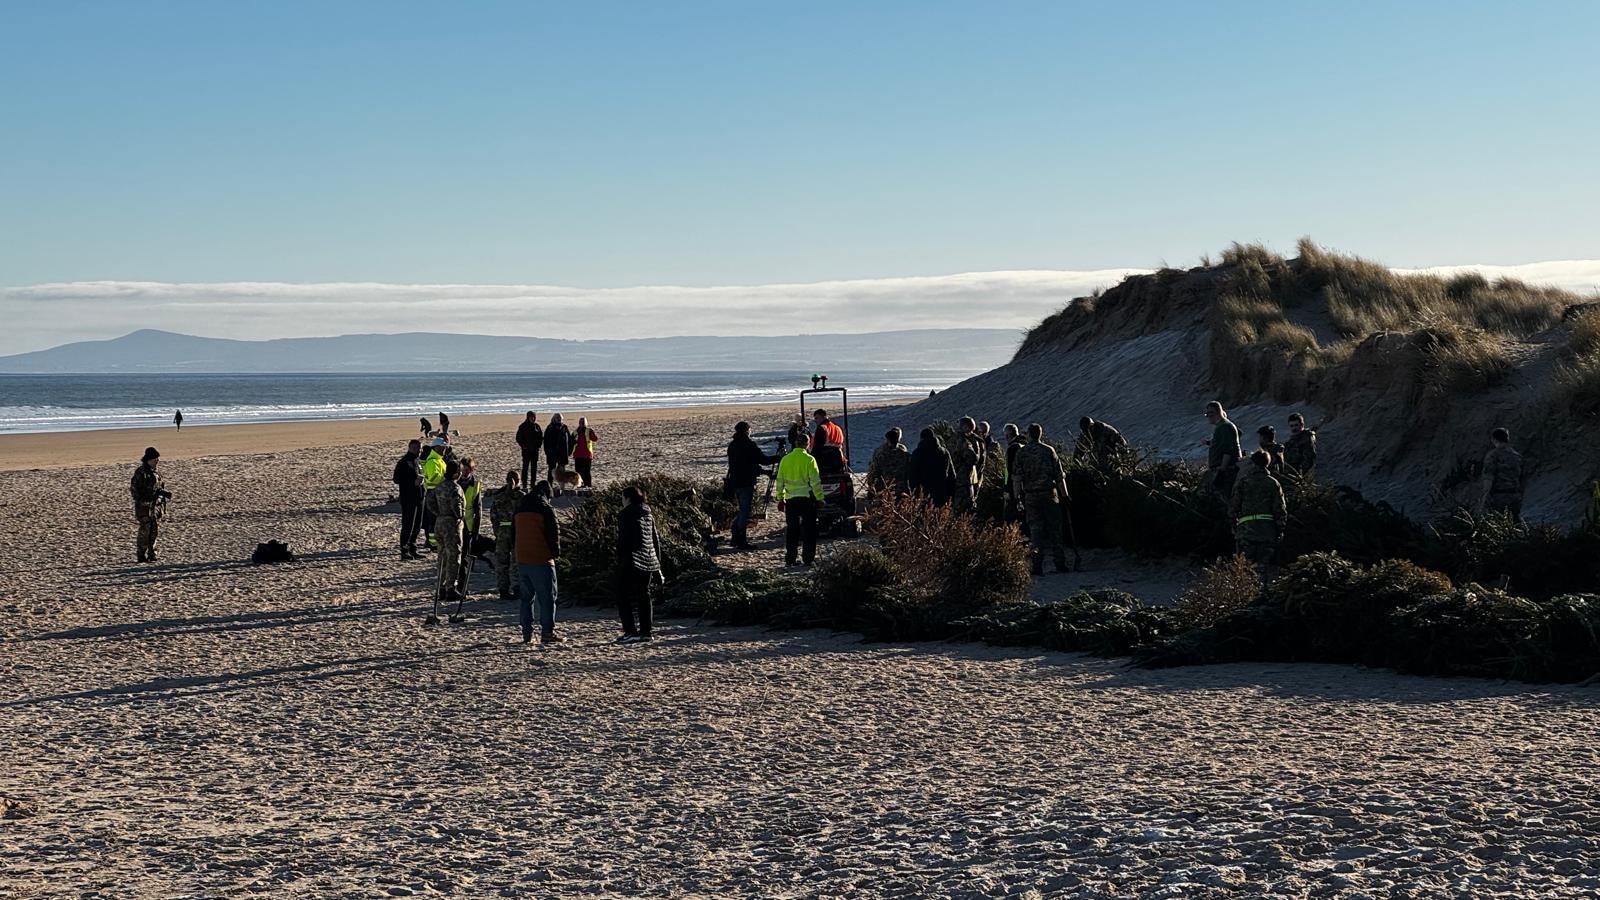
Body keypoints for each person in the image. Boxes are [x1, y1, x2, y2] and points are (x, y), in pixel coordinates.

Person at [1013, 424, 1070, 575]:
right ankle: (1060, 563)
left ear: (1029, 435)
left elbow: (1017, 478)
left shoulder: (1022, 452)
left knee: (1036, 531)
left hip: (1031, 496)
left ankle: (1037, 565)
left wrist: (1016, 497)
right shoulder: (1048, 450)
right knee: (1055, 529)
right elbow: (1059, 476)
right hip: (1049, 494)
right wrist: (1065, 495)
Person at [514, 480, 562, 644]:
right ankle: (547, 632)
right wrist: (556, 554)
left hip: (522, 558)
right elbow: (553, 533)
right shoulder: (546, 508)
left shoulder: (520, 507)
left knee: (526, 599)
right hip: (541, 558)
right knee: (548, 598)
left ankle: (527, 634)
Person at [615, 485, 664, 642]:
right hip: (649, 559)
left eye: (623, 498)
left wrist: (619, 556)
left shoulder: (626, 514)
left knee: (622, 594)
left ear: (627, 498)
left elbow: (624, 540)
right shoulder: (647, 512)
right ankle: (646, 632)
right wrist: (658, 564)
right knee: (644, 594)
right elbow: (655, 540)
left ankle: (630, 631)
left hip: (632, 559)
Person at [775, 426, 824, 567]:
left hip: (791, 500)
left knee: (792, 531)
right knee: (809, 530)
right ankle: (808, 558)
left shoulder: (785, 459)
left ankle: (790, 558)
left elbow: (780, 481)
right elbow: (815, 481)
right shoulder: (809, 460)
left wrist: (780, 498)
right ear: (807, 444)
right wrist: (820, 498)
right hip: (807, 499)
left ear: (796, 443)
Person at [1230, 449, 1287, 568]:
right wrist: (1280, 530)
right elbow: (1280, 509)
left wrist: (1234, 527)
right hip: (1267, 531)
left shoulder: (1244, 482)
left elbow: (1233, 507)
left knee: (1245, 569)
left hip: (1246, 531)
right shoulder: (1273, 483)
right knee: (1263, 568)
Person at [726, 421, 776, 549]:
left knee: (742, 510)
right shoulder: (749, 444)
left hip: (735, 482)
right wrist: (778, 457)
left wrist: (763, 471)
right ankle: (740, 540)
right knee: (745, 511)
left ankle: (735, 537)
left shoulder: (732, 445)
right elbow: (763, 460)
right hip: (745, 482)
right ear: (747, 431)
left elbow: (744, 463)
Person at [432, 458, 466, 604]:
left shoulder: (439, 486)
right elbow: (457, 509)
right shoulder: (455, 488)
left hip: (439, 522)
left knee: (442, 556)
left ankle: (440, 587)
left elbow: (430, 502)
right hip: (451, 524)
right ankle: (450, 588)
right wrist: (460, 516)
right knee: (453, 557)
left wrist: (439, 513)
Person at [489, 469, 525, 601]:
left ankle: (503, 589)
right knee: (516, 561)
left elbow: (493, 517)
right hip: (517, 530)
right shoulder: (521, 497)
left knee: (502, 562)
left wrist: (497, 531)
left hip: (503, 530)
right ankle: (517, 587)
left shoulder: (498, 498)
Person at [130, 447, 171, 562]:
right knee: (145, 531)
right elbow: (134, 490)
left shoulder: (156, 473)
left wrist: (162, 496)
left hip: (156, 507)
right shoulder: (141, 473)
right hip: (144, 508)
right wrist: (144, 501)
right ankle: (141, 555)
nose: (157, 461)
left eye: (157, 459)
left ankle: (152, 554)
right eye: (155, 459)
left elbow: (158, 487)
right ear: (148, 460)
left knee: (154, 531)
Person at [1480, 428, 1525, 520]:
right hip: (1515, 496)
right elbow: (1523, 478)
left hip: (1499, 497)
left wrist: (1484, 498)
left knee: (1498, 523)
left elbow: (1489, 477)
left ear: (1493, 439)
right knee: (1515, 523)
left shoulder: (1493, 455)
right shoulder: (1517, 456)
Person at [392, 439, 425, 559]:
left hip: (419, 497)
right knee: (408, 525)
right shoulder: (404, 462)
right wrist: (412, 482)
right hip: (408, 498)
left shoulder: (418, 461)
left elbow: (422, 475)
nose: (419, 451)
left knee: (417, 525)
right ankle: (404, 550)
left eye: (420, 448)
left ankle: (413, 548)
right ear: (410, 448)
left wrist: (421, 482)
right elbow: (396, 479)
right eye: (417, 448)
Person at [908, 427, 956, 507]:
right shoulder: (943, 452)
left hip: (923, 492)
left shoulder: (917, 453)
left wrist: (914, 492)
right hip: (941, 490)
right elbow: (951, 474)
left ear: (921, 438)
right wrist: (951, 492)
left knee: (926, 515)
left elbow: (913, 475)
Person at [455, 457, 483, 595]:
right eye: (463, 469)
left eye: (467, 470)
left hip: (468, 526)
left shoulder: (475, 484)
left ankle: (462, 587)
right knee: (455, 557)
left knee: (465, 557)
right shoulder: (455, 482)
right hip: (455, 525)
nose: (464, 473)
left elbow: (478, 510)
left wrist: (476, 530)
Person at [1203, 401, 1242, 498]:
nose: (1208, 416)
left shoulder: (1224, 426)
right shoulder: (1221, 426)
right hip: (1224, 468)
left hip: (1227, 470)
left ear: (1215, 413)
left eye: (1209, 413)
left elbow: (1228, 450)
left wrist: (1222, 471)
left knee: (1225, 498)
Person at [950, 417, 984, 513]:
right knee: (967, 508)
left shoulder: (952, 439)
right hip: (964, 479)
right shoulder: (964, 441)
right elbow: (974, 459)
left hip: (955, 478)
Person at [420, 437, 449, 551]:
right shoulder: (432, 461)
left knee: (437, 518)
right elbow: (433, 478)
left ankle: (434, 541)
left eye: (445, 448)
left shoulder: (439, 460)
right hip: (433, 493)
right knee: (433, 519)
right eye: (442, 448)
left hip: (439, 492)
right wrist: (446, 478)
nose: (444, 450)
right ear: (436, 448)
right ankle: (432, 543)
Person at [866, 427, 911, 495]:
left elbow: (873, 471)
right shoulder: (904, 453)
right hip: (900, 488)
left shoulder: (880, 452)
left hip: (885, 487)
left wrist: (871, 486)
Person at [543, 413, 573, 494]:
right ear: (554, 418)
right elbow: (545, 441)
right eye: (557, 418)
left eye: (560, 418)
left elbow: (569, 440)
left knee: (562, 471)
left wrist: (569, 451)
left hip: (563, 452)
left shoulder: (564, 427)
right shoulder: (550, 427)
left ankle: (562, 487)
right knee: (551, 470)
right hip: (552, 453)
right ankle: (549, 486)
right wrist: (546, 451)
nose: (559, 419)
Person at [1003, 424, 1026, 520]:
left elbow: (1011, 470)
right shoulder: (1024, 445)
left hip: (1014, 488)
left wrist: (1007, 490)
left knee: (1011, 516)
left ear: (1007, 435)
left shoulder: (1012, 449)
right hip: (1026, 486)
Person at [1284, 413, 1318, 478]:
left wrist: (1300, 475)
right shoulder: (1294, 439)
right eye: (1291, 426)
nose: (1294, 428)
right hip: (1292, 473)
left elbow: (1309, 459)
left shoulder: (1307, 438)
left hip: (1300, 475)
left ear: (1302, 425)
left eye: (1296, 425)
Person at [515, 411, 543, 488]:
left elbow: (541, 437)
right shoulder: (523, 426)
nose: (533, 418)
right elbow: (518, 438)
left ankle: (533, 484)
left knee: (534, 468)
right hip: (526, 451)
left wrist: (538, 445)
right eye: (531, 417)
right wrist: (523, 446)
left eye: (534, 417)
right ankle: (524, 485)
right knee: (525, 468)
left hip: (535, 451)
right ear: (528, 417)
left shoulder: (537, 426)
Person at [572, 417, 598, 489]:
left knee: (587, 472)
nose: (581, 423)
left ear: (585, 423)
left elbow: (595, 439)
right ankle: (580, 485)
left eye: (583, 422)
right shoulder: (575, 432)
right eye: (580, 422)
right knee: (578, 472)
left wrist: (592, 434)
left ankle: (588, 485)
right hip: (578, 455)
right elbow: (570, 442)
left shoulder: (589, 431)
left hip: (587, 454)